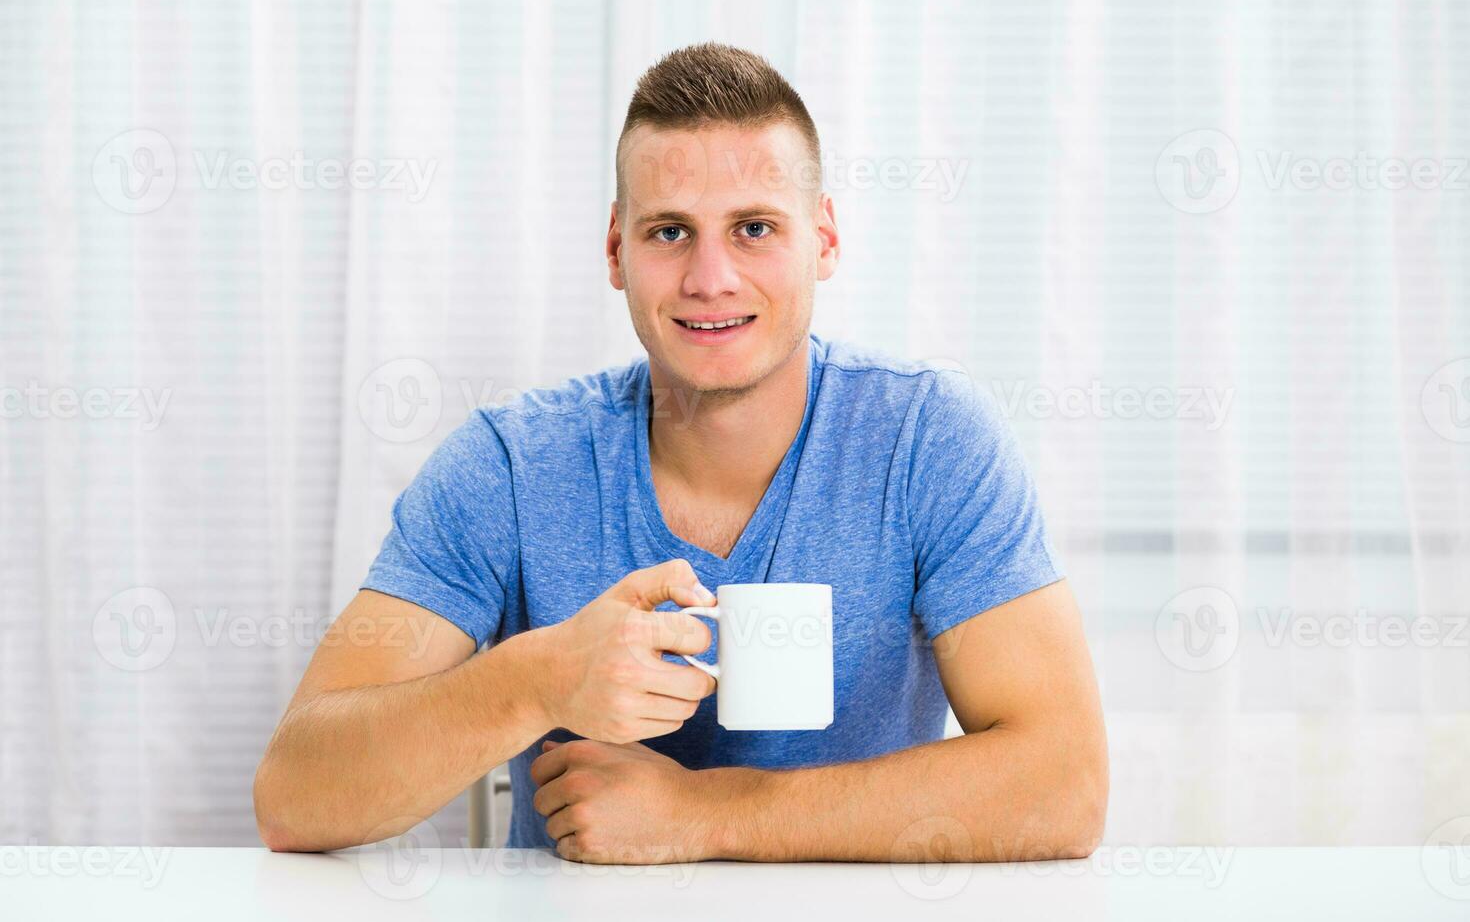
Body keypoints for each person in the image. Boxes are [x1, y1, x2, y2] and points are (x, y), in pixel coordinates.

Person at [253, 42, 1107, 864]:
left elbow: (1065, 784)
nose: (710, 278)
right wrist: (533, 683)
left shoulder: (930, 440)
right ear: (617, 250)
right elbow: (295, 797)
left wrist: (704, 815)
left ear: (825, 240)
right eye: (669, 232)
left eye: (754, 228)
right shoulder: (509, 467)